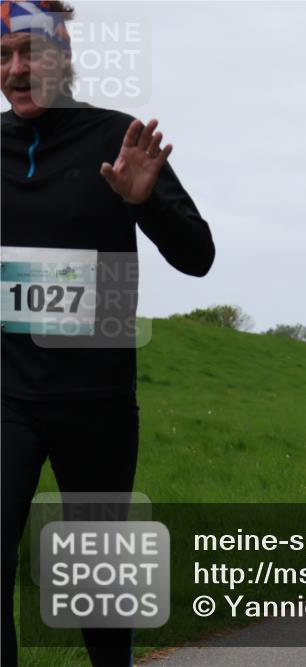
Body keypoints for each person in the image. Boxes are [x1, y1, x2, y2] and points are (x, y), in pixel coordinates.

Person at [2, 4, 216, 665]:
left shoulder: (118, 138)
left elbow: (198, 256)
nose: (15, 69)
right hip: (7, 396)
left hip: (95, 401)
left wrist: (141, 202)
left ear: (63, 59)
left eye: (32, 53)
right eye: (3, 56)